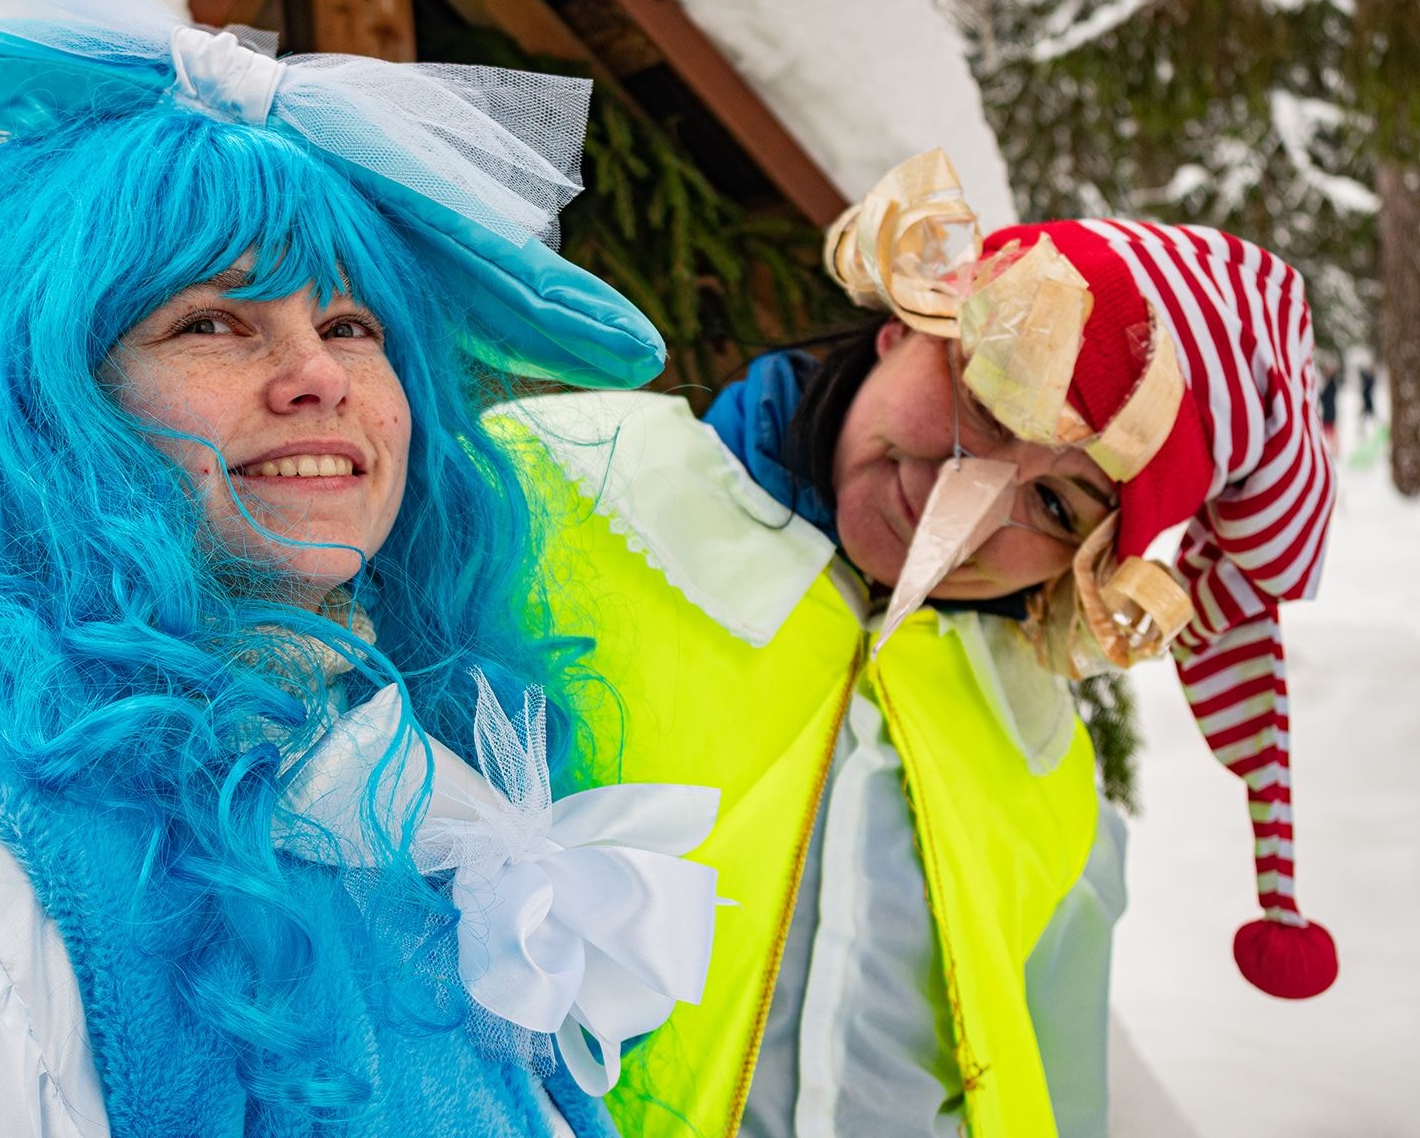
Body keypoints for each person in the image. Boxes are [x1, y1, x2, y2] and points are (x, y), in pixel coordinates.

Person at [0, 0, 724, 1135]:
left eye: (352, 322)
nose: (317, 374)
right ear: (52, 415)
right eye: (215, 320)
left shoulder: (429, 812)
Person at [498, 150, 1339, 1138]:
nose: (967, 510)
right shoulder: (554, 495)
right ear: (912, 319)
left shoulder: (1043, 761)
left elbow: (1058, 1094)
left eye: (1059, 502)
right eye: (989, 400)